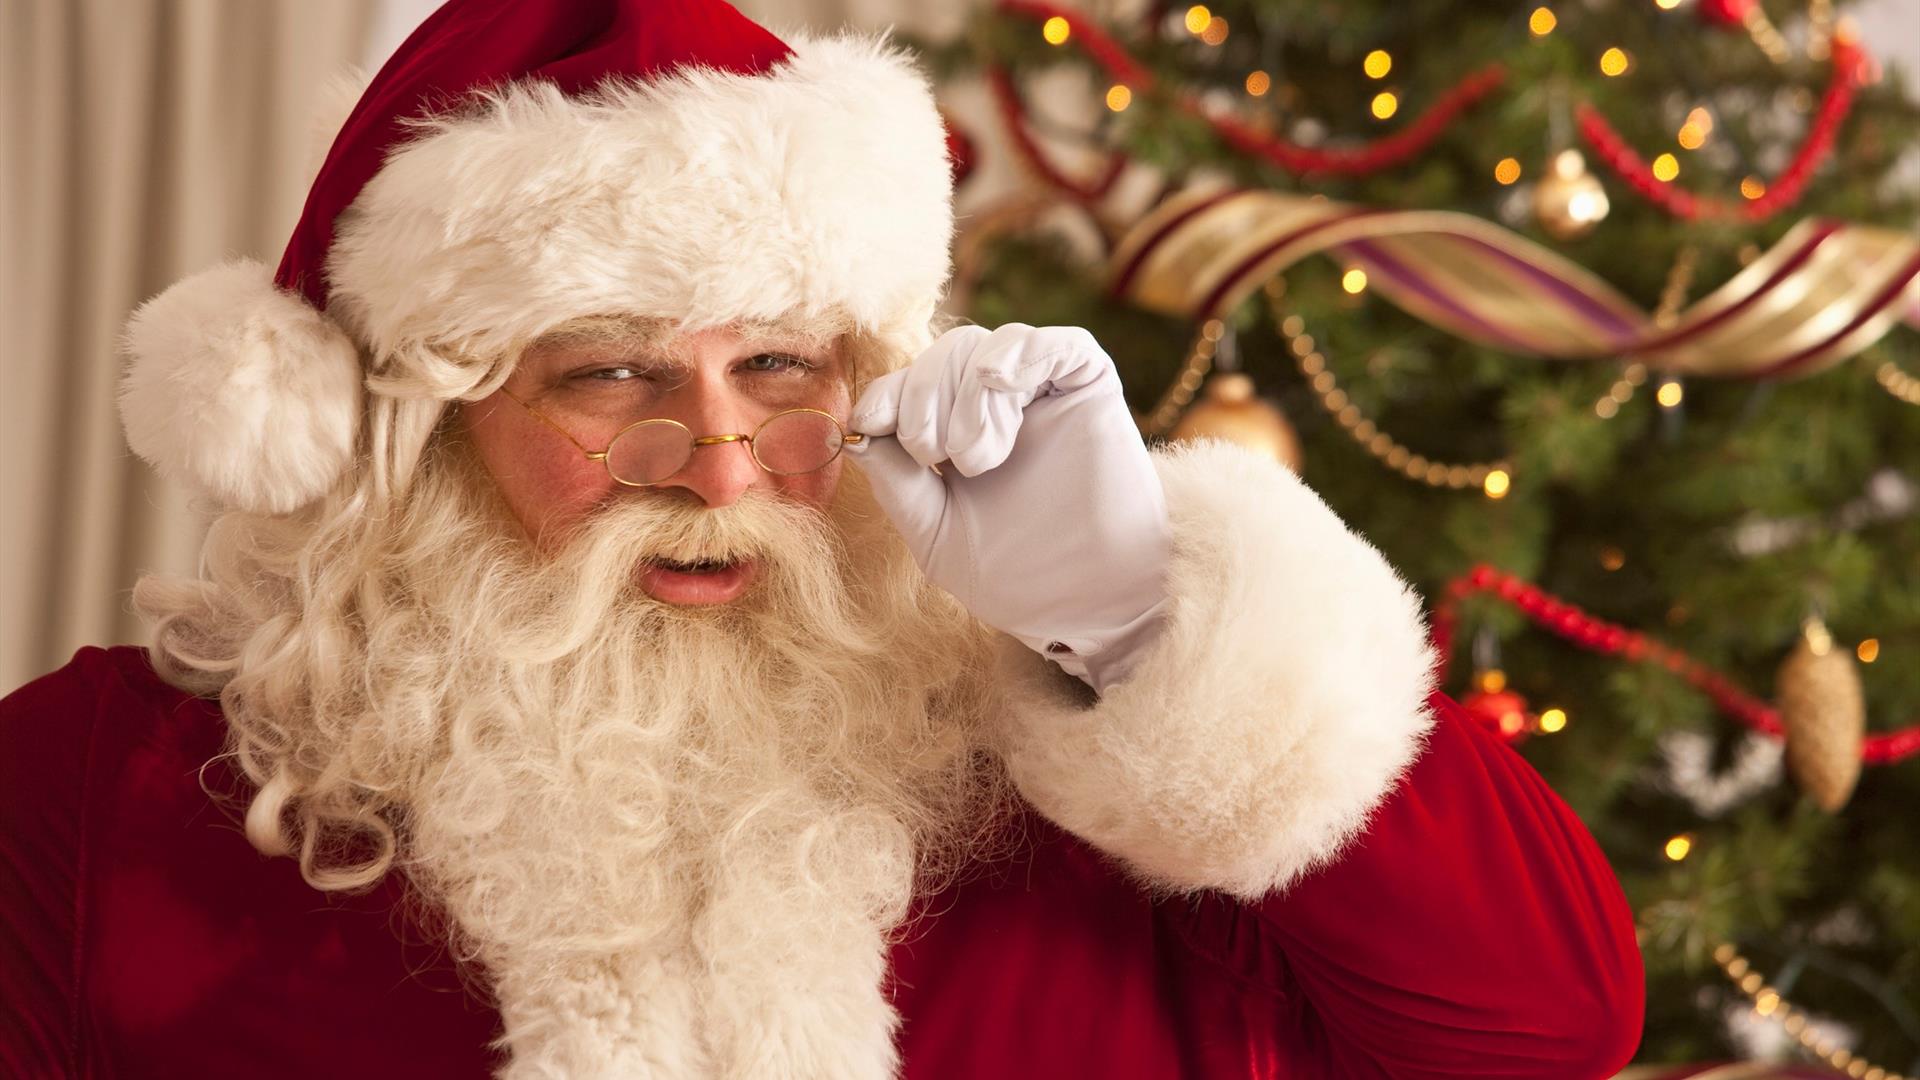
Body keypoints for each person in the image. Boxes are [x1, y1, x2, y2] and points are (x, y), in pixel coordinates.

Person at [0, 0, 1645, 1076]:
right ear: (419, 423)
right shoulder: (101, 783)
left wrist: (1141, 621)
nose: (720, 465)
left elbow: (1544, 1029)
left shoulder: (1094, 775)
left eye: (779, 366)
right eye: (611, 373)